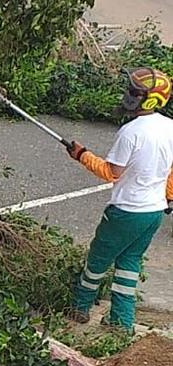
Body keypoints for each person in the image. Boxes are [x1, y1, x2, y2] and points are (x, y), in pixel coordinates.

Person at [66, 67, 173, 332]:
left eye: (135, 92)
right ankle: (121, 322)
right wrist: (169, 197)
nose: (128, 95)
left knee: (98, 260)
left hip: (126, 211)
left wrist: (82, 155)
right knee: (129, 263)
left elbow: (111, 173)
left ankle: (79, 307)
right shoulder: (170, 127)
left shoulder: (131, 132)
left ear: (149, 99)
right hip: (153, 214)